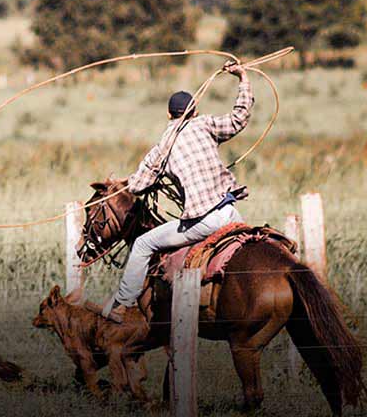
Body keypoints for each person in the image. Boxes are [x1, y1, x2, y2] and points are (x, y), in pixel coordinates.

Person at [94, 61, 253, 324]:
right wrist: (243, 78)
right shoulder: (206, 124)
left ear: (169, 116)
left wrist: (129, 180)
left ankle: (122, 305)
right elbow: (239, 118)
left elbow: (137, 187)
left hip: (203, 221)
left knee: (143, 245)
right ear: (194, 111)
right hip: (230, 212)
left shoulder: (161, 149)